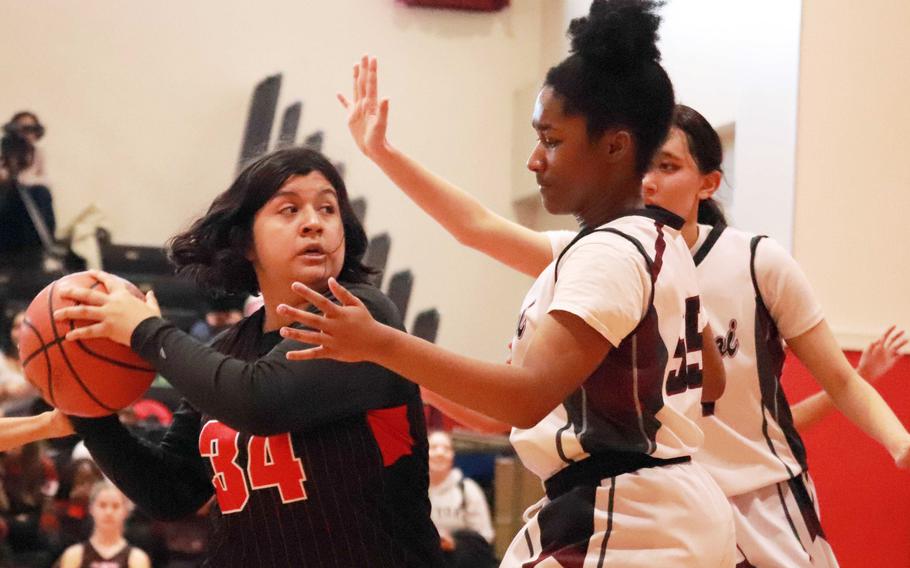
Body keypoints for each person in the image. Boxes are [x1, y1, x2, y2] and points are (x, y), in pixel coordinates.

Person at [281, 1, 736, 565]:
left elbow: (523, 398)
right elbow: (709, 379)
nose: (534, 161)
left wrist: (381, 341)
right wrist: (382, 153)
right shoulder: (653, 245)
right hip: (653, 507)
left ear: (615, 146)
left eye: (551, 140)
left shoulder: (608, 257)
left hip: (630, 516)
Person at [47, 147, 442, 567]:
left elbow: (262, 400)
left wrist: (146, 332)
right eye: (289, 209)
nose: (314, 223)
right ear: (244, 241)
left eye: (328, 209)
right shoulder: (225, 352)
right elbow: (171, 492)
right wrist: (85, 406)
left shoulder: (360, 317)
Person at [638, 103, 910, 566]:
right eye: (641, 164)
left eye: (667, 165)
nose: (648, 180)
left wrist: (899, 442)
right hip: (668, 504)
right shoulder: (615, 268)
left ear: (709, 183)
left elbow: (834, 384)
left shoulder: (756, 261)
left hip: (760, 498)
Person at [426, 431, 495, 568]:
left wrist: (455, 544)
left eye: (446, 448)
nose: (440, 453)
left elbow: (485, 536)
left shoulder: (468, 489)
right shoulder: (413, 490)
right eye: (433, 448)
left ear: (452, 455)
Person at [57, 481, 151, 568]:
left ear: (126, 511)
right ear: (91, 509)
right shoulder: (74, 555)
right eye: (102, 505)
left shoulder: (137, 558)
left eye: (115, 506)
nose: (108, 512)